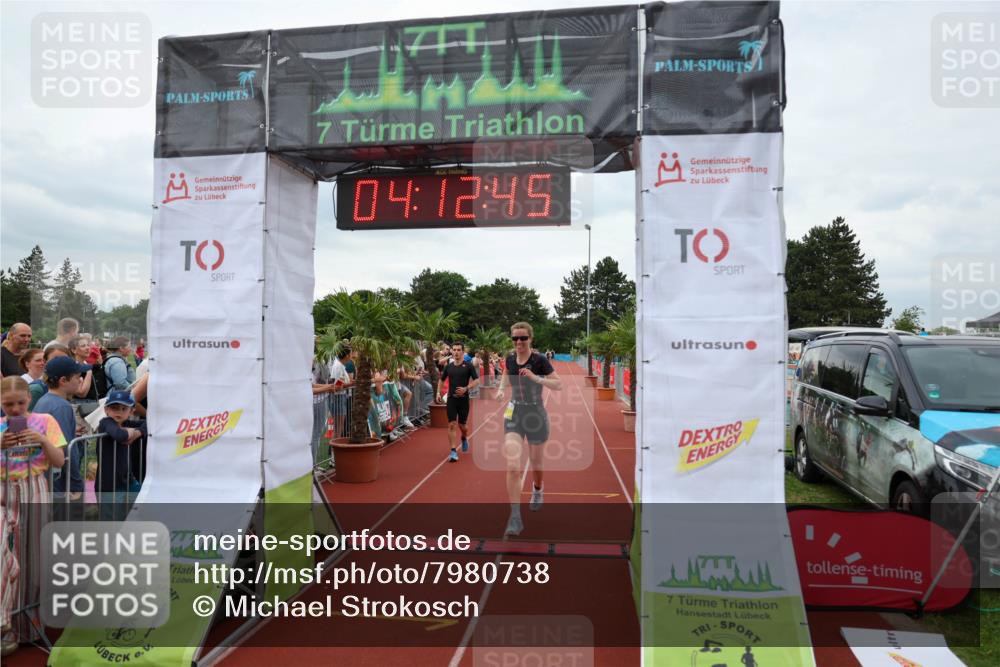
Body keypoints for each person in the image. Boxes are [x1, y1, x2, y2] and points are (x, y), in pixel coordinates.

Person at [1, 376, 67, 657]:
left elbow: (59, 460)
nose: (15, 410)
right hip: (4, 491)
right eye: (8, 405)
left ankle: (25, 628)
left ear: (29, 399)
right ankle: (5, 620)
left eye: (20, 403)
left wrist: (40, 439)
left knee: (31, 558)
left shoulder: (45, 421)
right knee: (3, 553)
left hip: (35, 488)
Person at [494, 322, 562, 536]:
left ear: (530, 339)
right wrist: (501, 389)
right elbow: (506, 372)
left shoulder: (540, 360)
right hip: (514, 413)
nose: (519, 342)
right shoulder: (510, 359)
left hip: (536, 415)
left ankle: (538, 489)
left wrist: (535, 377)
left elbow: (558, 384)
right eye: (515, 339)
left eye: (523, 338)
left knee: (536, 462)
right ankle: (515, 516)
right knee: (513, 465)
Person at [34, 356, 90, 499]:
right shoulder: (61, 406)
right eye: (77, 377)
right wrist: (76, 483)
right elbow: (66, 448)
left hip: (47, 475)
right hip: (57, 480)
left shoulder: (45, 400)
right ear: (63, 381)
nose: (80, 380)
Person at [96, 390, 147, 520]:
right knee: (111, 522)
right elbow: (120, 435)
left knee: (144, 507)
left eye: (124, 409)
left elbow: (149, 424)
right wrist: (130, 433)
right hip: (109, 485)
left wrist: (138, 432)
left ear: (131, 411)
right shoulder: (105, 422)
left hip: (128, 481)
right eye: (114, 408)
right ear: (106, 410)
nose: (118, 412)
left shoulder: (127, 424)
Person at [438, 342, 479, 463]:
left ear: (462, 351)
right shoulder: (448, 367)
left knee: (463, 426)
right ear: (452, 352)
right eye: (454, 350)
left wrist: (466, 388)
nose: (456, 352)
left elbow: (477, 380)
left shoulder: (468, 366)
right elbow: (441, 380)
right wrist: (438, 393)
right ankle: (453, 450)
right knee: (451, 424)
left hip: (464, 400)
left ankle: (464, 437)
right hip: (451, 399)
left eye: (458, 350)